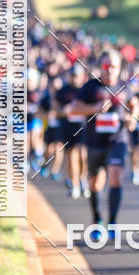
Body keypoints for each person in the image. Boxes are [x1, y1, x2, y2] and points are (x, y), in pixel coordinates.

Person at [70, 51, 139, 234]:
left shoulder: (124, 86)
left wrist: (132, 119)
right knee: (95, 184)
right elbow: (74, 108)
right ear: (101, 67)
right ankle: (97, 219)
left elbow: (135, 104)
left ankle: (113, 222)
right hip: (95, 142)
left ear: (119, 68)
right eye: (106, 66)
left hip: (117, 140)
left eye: (114, 66)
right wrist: (94, 108)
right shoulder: (91, 87)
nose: (110, 70)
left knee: (116, 175)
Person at [56, 64, 89, 199]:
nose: (75, 78)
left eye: (77, 76)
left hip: (83, 128)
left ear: (82, 76)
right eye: (73, 76)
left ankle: (83, 179)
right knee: (72, 157)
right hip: (68, 128)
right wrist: (63, 111)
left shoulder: (86, 90)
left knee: (83, 155)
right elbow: (56, 110)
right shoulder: (63, 91)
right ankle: (75, 184)